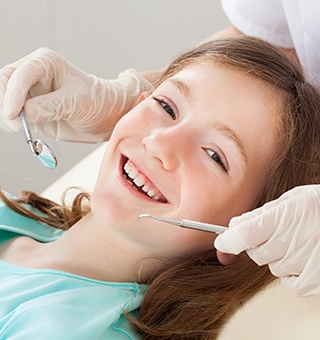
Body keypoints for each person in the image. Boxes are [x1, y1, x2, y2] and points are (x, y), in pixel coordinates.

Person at [0, 36, 320, 339]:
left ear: (252, 226)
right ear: (136, 104)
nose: (160, 144)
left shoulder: (69, 330)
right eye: (166, 107)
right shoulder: (19, 218)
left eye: (214, 155)